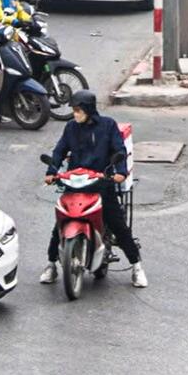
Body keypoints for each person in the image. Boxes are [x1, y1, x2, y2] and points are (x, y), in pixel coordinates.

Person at [39, 89, 145, 288]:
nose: (75, 114)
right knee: (59, 225)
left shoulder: (107, 126)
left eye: (78, 110)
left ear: (88, 109)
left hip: (101, 183)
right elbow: (60, 150)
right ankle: (51, 265)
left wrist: (120, 172)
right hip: (75, 184)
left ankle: (136, 267)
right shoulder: (71, 127)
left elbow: (119, 150)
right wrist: (52, 171)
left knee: (117, 225)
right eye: (74, 110)